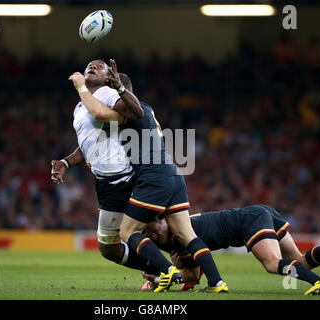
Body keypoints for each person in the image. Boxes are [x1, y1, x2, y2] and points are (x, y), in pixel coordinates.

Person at [69, 67, 227, 293]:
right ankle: (216, 282)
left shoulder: (127, 112)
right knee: (187, 234)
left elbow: (99, 114)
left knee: (127, 232)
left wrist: (82, 88)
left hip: (153, 177)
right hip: (173, 172)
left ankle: (167, 270)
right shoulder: (146, 108)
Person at [51, 59, 157, 275]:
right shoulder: (80, 106)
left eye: (99, 66)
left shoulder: (107, 94)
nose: (92, 67)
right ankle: (155, 269)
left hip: (122, 176)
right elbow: (88, 144)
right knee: (109, 248)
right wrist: (66, 162)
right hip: (106, 183)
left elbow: (133, 110)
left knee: (152, 231)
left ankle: (176, 267)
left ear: (108, 77)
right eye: (89, 65)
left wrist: (100, 86)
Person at [142, 204, 320, 295]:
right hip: (258, 212)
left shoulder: (180, 235)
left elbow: (190, 274)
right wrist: (169, 276)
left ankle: (319, 281)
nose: (155, 236)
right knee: (299, 260)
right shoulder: (180, 229)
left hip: (250, 221)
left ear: (163, 219)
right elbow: (191, 275)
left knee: (272, 264)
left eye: (155, 229)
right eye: (151, 236)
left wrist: (164, 276)